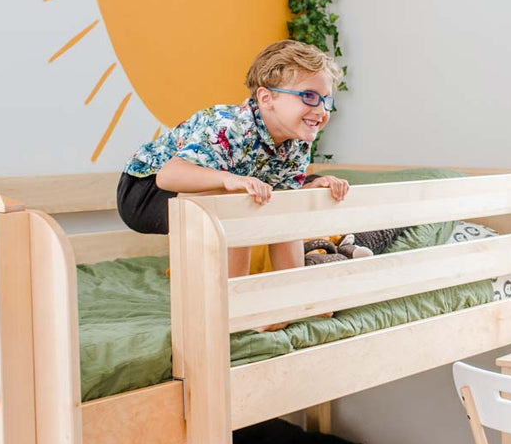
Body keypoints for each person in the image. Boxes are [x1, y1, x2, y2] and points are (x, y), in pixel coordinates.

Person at [117, 39, 349, 278]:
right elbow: (167, 176)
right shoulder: (231, 126)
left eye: (326, 100)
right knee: (239, 199)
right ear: (266, 98)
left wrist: (309, 188)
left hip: (202, 192)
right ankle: (235, 298)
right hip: (145, 190)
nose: (321, 110)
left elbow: (281, 199)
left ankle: (293, 294)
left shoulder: (298, 140)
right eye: (309, 96)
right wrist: (230, 180)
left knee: (283, 205)